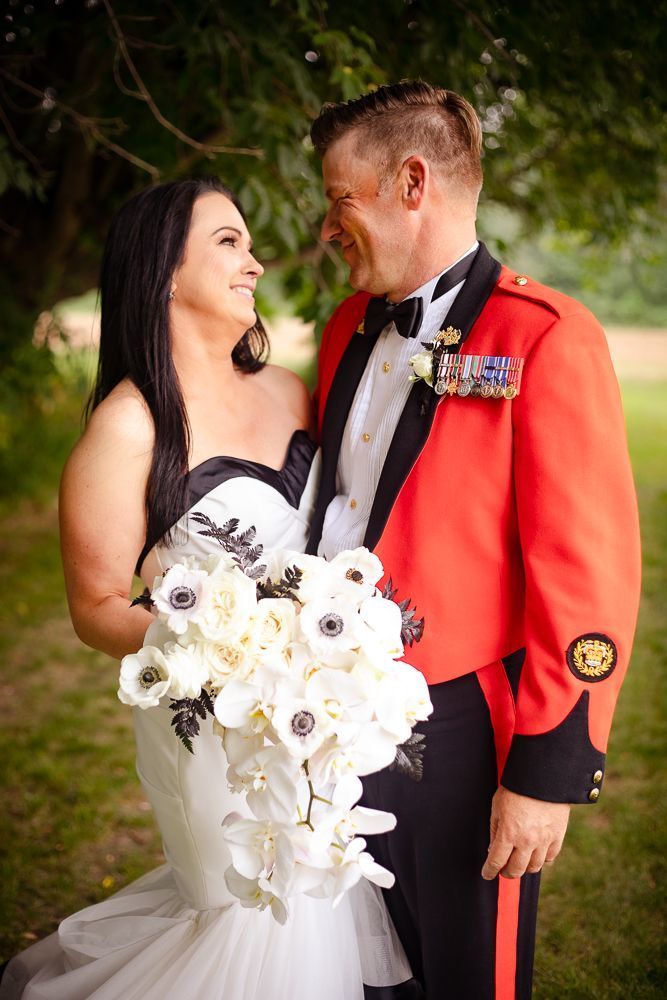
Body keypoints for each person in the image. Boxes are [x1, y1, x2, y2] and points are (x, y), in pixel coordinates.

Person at [0, 178, 418, 1000]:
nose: (254, 263)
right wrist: (222, 647)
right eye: (228, 242)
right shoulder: (129, 427)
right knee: (241, 914)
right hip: (208, 729)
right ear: (162, 272)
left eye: (248, 243)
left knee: (308, 898)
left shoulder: (288, 389)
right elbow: (94, 610)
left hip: (313, 713)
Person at [306, 81, 642, 999]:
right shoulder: (343, 329)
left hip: (457, 726)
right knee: (356, 973)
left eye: (340, 198)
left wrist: (546, 770)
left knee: (465, 979)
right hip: (324, 714)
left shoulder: (545, 337)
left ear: (410, 182)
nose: (328, 226)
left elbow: (588, 573)